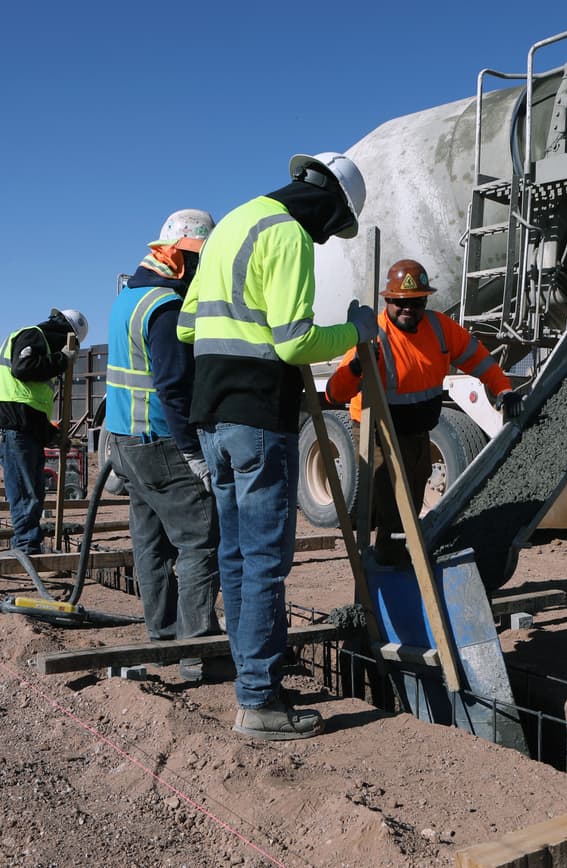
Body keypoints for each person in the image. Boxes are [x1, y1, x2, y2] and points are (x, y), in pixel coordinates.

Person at [178, 151, 378, 740]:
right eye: (333, 227)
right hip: (259, 417)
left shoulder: (234, 224)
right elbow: (295, 343)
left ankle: (252, 677)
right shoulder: (288, 233)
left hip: (211, 416)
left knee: (237, 558)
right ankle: (260, 700)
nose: (325, 240)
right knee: (265, 561)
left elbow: (189, 325)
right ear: (331, 204)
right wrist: (356, 332)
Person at [325, 258, 516, 565]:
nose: (408, 310)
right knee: (392, 499)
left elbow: (478, 359)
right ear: (388, 300)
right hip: (378, 430)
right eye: (401, 303)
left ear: (425, 300)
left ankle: (399, 554)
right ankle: (391, 562)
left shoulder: (440, 328)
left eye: (415, 303)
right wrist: (358, 367)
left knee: (413, 493)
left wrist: (503, 389)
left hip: (416, 428)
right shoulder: (373, 335)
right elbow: (335, 392)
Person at [106, 209, 222, 682]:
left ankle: (163, 636)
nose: (199, 270)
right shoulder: (165, 308)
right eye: (196, 260)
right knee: (198, 541)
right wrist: (193, 451)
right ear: (177, 256)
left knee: (150, 544)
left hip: (126, 442)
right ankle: (196, 653)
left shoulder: (127, 298)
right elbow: (173, 387)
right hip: (160, 442)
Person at [0, 308, 89, 555]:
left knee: (32, 490)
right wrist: (62, 360)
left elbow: (28, 402)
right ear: (66, 334)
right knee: (25, 493)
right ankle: (26, 547)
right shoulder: (33, 335)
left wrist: (51, 435)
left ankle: (28, 545)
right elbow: (23, 369)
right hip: (12, 428)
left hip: (21, 427)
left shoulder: (38, 343)